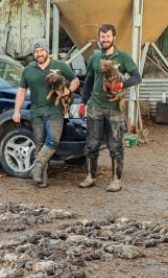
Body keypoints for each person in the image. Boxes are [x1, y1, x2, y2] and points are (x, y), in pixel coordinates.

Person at [79, 23, 141, 192]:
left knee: (115, 145)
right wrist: (83, 103)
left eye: (107, 36)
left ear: (114, 37)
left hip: (115, 108)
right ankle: (91, 177)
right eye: (102, 36)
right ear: (99, 38)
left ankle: (116, 180)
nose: (105, 39)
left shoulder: (123, 57)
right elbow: (89, 82)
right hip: (95, 107)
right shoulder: (94, 58)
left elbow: (137, 78)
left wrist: (121, 84)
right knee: (91, 144)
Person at [12, 38, 80, 188]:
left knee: (53, 141)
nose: (39, 54)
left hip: (55, 112)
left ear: (46, 51)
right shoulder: (28, 70)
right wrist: (16, 110)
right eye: (36, 51)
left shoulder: (60, 66)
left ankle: (36, 168)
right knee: (39, 143)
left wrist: (69, 90)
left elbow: (75, 80)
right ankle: (41, 178)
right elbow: (21, 91)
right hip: (36, 112)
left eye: (41, 50)